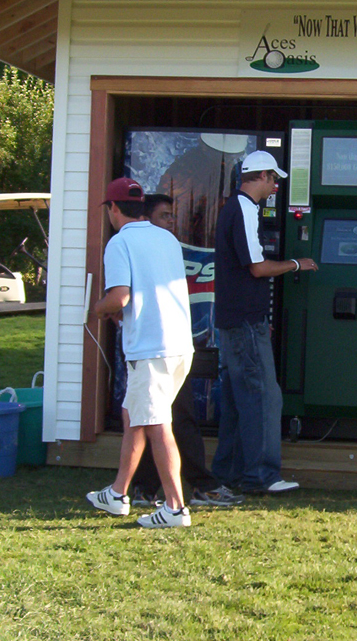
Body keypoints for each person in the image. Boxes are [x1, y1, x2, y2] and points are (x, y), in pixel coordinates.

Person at [86, 177, 195, 529]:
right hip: (180, 345)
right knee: (134, 415)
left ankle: (175, 509)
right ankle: (118, 494)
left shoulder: (120, 242)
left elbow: (120, 297)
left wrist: (97, 309)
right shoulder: (166, 238)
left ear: (113, 208)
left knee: (157, 424)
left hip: (150, 349)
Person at [212, 150, 317, 494]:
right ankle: (262, 476)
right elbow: (257, 268)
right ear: (260, 176)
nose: (275, 187)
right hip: (245, 321)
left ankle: (228, 473)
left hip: (235, 319)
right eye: (273, 179)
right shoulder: (243, 208)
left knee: (236, 402)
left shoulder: (234, 208)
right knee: (263, 398)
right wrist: (297, 264)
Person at [129, 193, 243, 508]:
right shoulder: (135, 249)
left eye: (172, 215)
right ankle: (197, 487)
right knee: (170, 418)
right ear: (146, 220)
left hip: (174, 345)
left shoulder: (169, 248)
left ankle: (146, 488)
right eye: (164, 216)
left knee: (164, 418)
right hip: (151, 348)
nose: (171, 221)